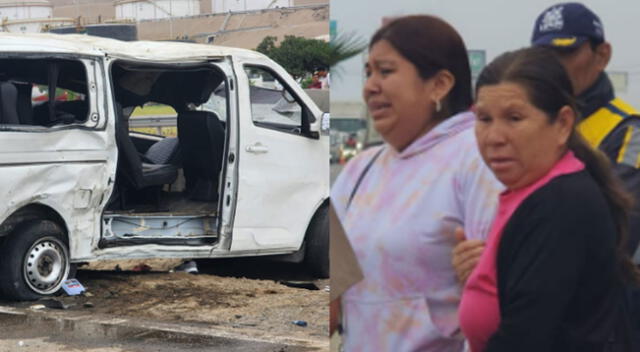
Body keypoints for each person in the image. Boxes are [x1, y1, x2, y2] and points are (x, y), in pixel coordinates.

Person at [331, 15, 501, 351]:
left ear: (439, 84)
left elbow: (495, 297)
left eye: (386, 71)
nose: (370, 86)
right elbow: (331, 294)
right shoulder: (360, 169)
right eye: (368, 73)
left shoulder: (478, 157)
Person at [458, 46, 637, 352]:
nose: (494, 137)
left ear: (563, 124)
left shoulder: (560, 204)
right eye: (484, 119)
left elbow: (526, 337)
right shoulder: (530, 192)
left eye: (514, 118)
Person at [453, 0, 640, 286]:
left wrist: (500, 258)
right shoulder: (507, 131)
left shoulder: (629, 130)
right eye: (546, 54)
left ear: (602, 55)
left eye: (567, 51)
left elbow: (616, 232)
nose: (556, 64)